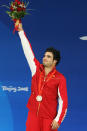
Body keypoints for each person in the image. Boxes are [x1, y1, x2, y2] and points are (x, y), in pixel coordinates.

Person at [15, 21, 68, 131]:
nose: (44, 58)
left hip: (49, 117)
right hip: (33, 115)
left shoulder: (60, 78)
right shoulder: (36, 69)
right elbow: (28, 51)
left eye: (48, 57)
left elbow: (63, 101)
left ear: (55, 61)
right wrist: (21, 32)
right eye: (44, 55)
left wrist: (58, 120)